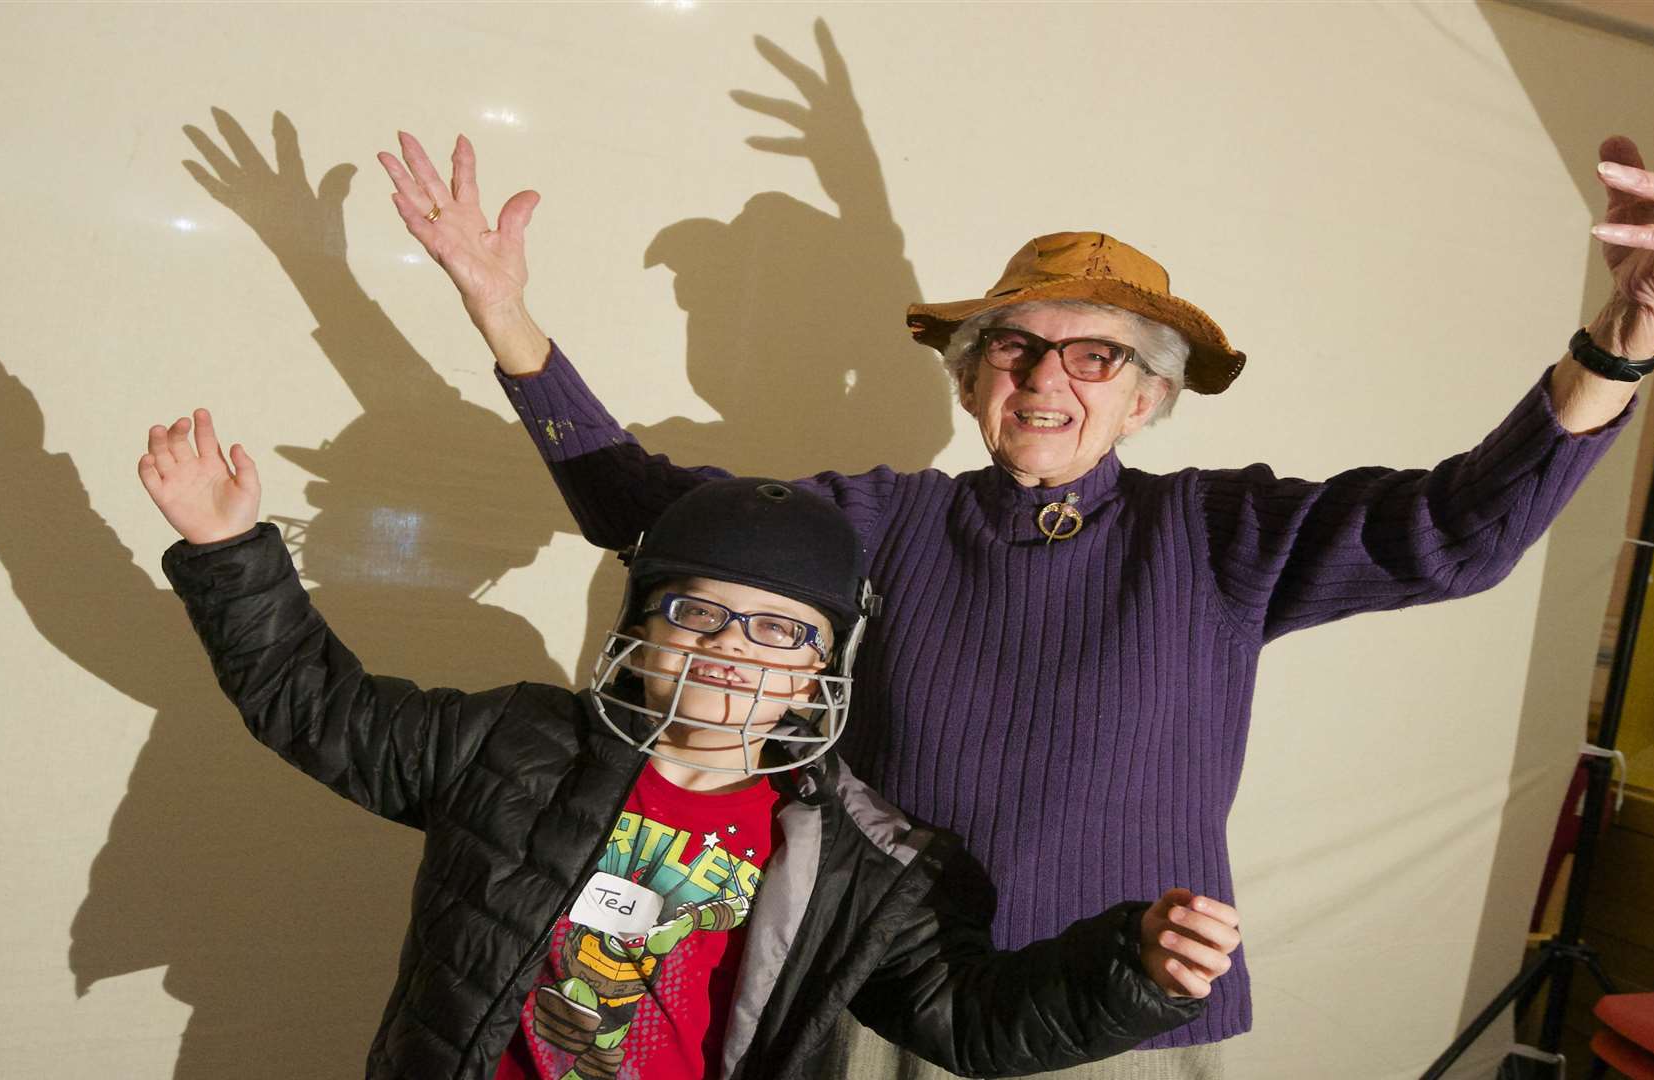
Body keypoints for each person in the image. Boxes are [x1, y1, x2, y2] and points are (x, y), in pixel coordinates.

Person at [372, 60, 1654, 1079]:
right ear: (977, 379)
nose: (1048, 376)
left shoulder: (1220, 533)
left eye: (1097, 355)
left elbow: (1460, 530)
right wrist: (505, 316)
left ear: (1148, 400)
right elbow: (651, 516)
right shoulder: (883, 520)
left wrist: (1630, 333)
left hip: (1129, 1014)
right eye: (1017, 347)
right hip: (894, 991)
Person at [136, 410, 1241, 1080]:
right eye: (698, 615)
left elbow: (967, 1021)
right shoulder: (511, 745)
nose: (730, 651)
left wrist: (1130, 973)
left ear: (821, 671)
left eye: (778, 631)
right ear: (642, 634)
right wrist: (233, 548)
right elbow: (311, 706)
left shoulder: (868, 860)